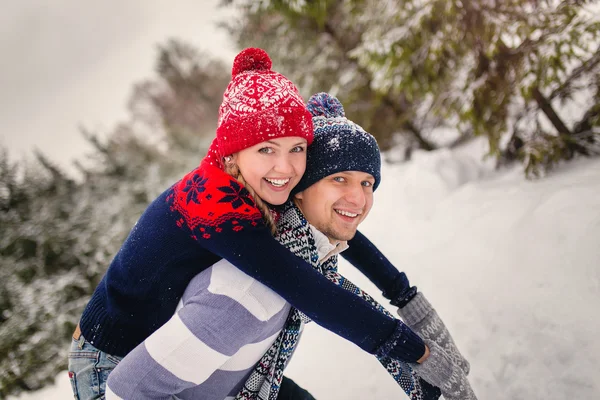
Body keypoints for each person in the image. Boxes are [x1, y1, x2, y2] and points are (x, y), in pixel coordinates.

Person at [66, 48, 452, 399]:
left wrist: (403, 294)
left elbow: (341, 234)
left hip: (177, 352)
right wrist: (412, 349)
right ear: (233, 152)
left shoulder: (262, 185)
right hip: (112, 361)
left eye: (296, 149)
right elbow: (305, 287)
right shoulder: (214, 202)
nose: (285, 168)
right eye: (266, 149)